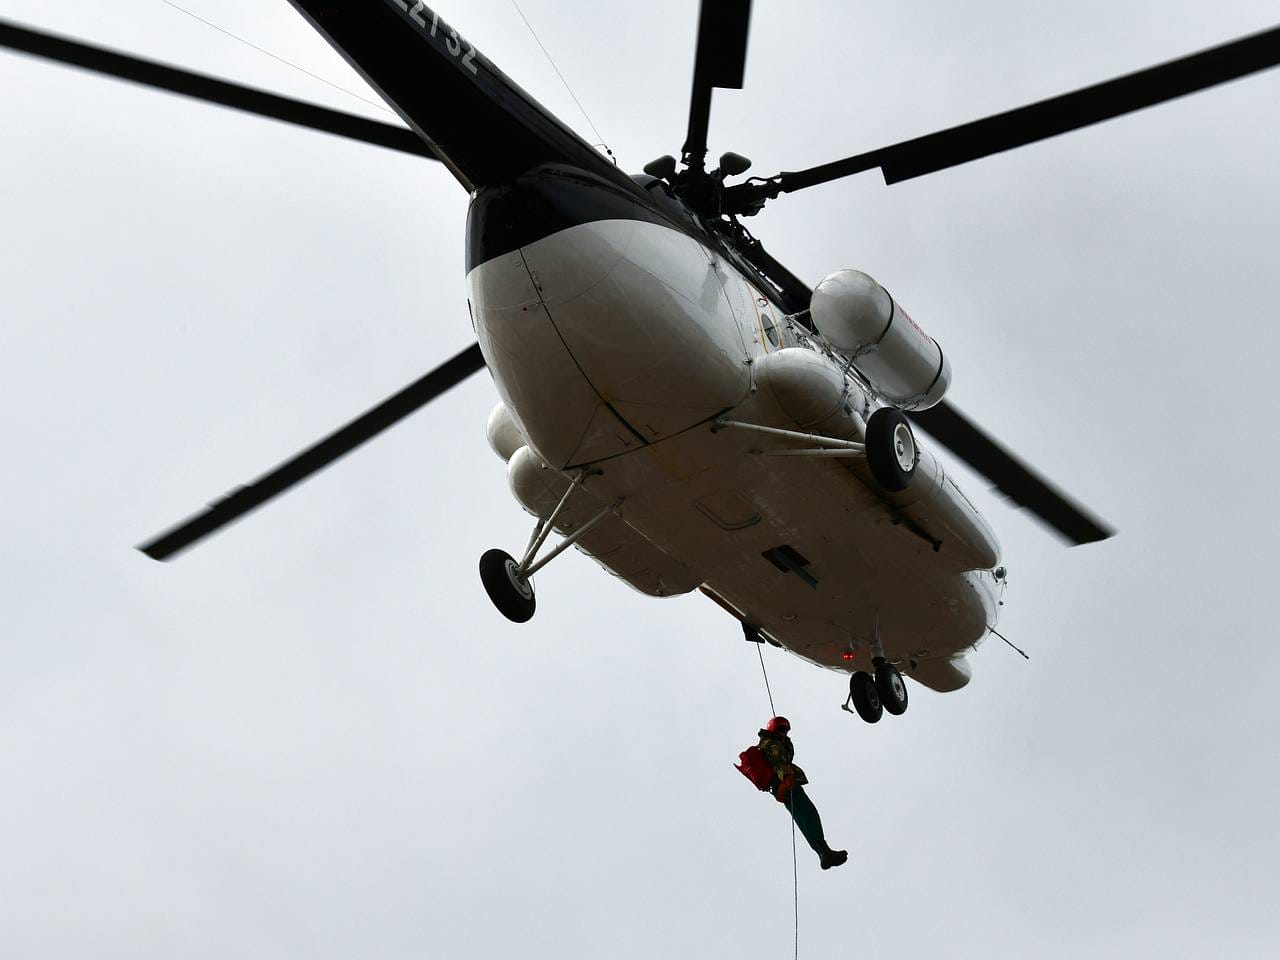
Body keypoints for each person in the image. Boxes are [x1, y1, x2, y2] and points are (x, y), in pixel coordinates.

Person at [757, 716, 848, 870]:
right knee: (808, 813)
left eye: (785, 730)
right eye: (781, 729)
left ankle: (822, 852)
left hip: (780, 787)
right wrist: (785, 777)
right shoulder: (771, 744)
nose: (784, 733)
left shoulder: (772, 743)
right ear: (773, 728)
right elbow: (779, 762)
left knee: (803, 816)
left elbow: (783, 759)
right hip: (785, 784)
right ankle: (824, 852)